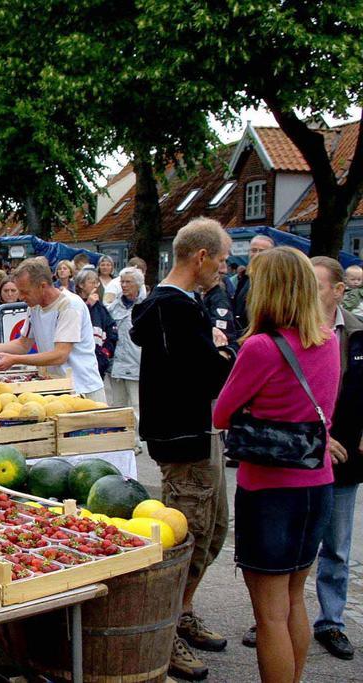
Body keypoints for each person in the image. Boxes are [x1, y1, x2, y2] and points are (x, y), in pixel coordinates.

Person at [213, 247, 339, 683]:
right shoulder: (329, 340)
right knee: (295, 599)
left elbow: (221, 414)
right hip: (317, 481)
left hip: (269, 490)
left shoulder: (262, 348)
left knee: (269, 615)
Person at [130, 217, 238, 680]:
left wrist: (213, 349)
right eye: (223, 259)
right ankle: (165, 629)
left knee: (212, 531)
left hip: (199, 432)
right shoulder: (172, 308)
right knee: (187, 536)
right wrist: (222, 354)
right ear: (201, 257)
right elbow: (208, 376)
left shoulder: (179, 306)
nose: (225, 268)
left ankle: (184, 611)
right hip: (182, 438)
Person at [308, 256, 363, 661]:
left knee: (338, 547)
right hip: (299, 456)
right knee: (291, 542)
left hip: (346, 456)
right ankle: (274, 617)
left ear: (340, 290)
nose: (309, 292)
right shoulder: (290, 330)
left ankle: (331, 621)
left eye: (318, 285)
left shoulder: (359, 334)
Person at [0, 260, 107, 402]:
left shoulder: (70, 305)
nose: (21, 297)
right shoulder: (34, 306)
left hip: (82, 389)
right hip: (56, 386)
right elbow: (23, 344)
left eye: (24, 292)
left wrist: (14, 359)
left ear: (42, 286)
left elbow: (60, 355)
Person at [106, 267, 145, 443]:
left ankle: (135, 440)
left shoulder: (146, 305)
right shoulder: (114, 306)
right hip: (116, 363)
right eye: (122, 281)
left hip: (136, 362)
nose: (124, 285)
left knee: (137, 405)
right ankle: (119, 439)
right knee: (118, 404)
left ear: (138, 284)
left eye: (128, 281)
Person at [74, 269, 117, 379]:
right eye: (91, 282)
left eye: (96, 283)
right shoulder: (73, 302)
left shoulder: (100, 307)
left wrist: (106, 352)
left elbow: (111, 328)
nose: (95, 286)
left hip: (98, 362)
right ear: (81, 285)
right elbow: (73, 322)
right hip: (77, 360)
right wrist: (88, 305)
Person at [232, 234, 275, 335]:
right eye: (254, 250)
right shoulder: (244, 277)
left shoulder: (273, 280)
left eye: (262, 251)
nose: (257, 254)